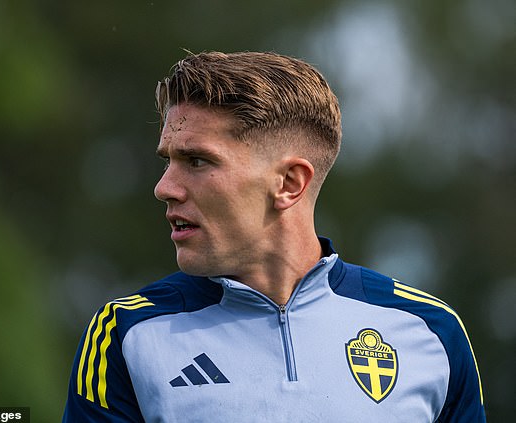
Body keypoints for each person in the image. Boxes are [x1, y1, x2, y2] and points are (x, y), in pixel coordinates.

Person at [62, 51, 485, 422]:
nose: (164, 187)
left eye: (196, 161)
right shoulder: (126, 333)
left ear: (289, 183)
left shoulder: (431, 332)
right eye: (168, 160)